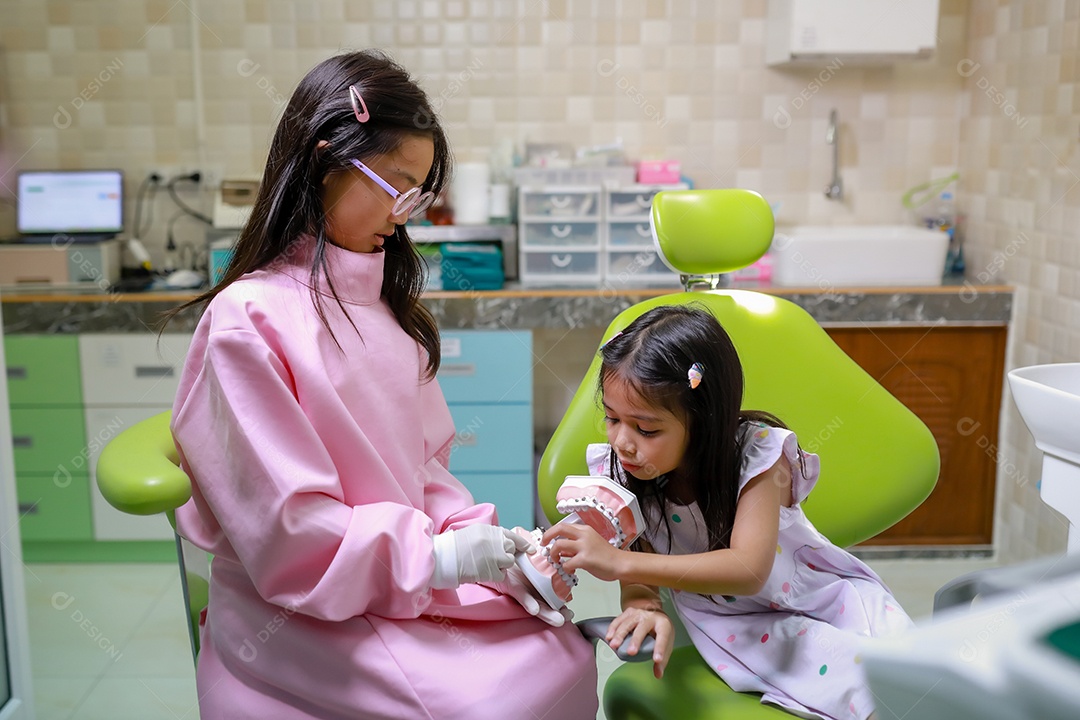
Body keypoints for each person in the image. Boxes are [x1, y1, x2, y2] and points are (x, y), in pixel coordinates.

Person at [167, 50, 597, 720]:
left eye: (419, 193)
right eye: (397, 185)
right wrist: (436, 558)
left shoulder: (384, 312)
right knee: (501, 701)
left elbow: (422, 470)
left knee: (562, 650)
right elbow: (288, 533)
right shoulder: (247, 320)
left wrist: (488, 546)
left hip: (389, 575)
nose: (408, 213)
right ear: (323, 160)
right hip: (298, 603)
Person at [542, 304, 913, 720]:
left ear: (704, 423)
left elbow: (748, 570)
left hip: (824, 594)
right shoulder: (624, 473)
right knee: (868, 691)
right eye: (612, 419)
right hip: (745, 623)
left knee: (921, 677)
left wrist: (617, 560)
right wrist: (643, 607)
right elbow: (639, 575)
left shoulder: (757, 457)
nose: (623, 442)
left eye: (646, 429)